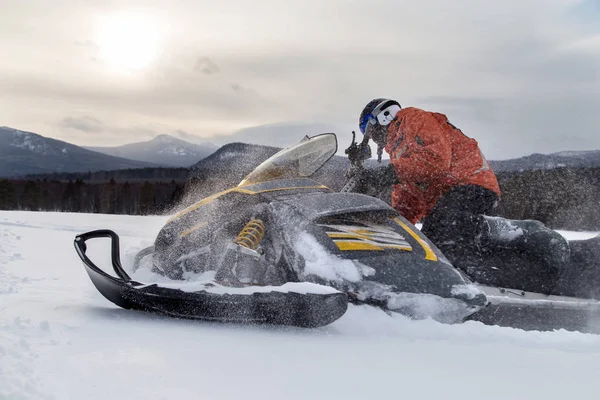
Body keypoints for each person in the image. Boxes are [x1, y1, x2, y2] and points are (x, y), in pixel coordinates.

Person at [354, 98, 501, 249]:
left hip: (471, 183)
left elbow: (436, 160)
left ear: (383, 116)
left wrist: (386, 174)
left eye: (368, 127)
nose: (372, 136)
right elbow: (409, 199)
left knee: (441, 238)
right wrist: (392, 225)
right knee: (425, 244)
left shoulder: (413, 119)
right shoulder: (398, 152)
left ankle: (460, 270)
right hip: (448, 197)